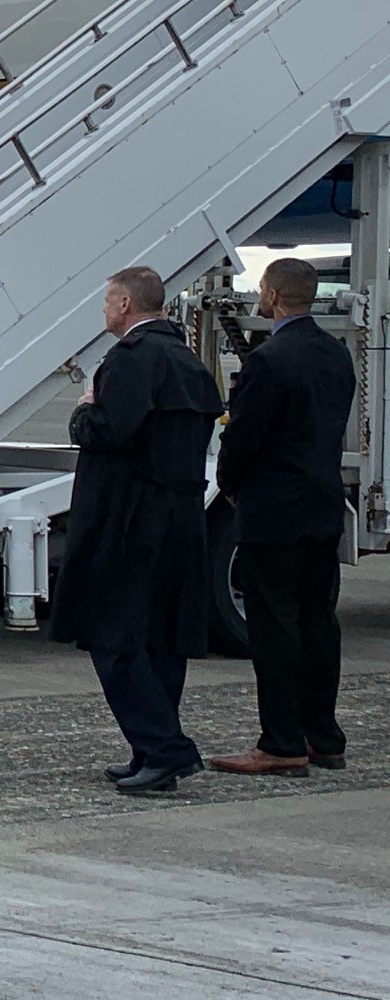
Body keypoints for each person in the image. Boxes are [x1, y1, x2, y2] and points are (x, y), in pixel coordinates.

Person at [48, 266, 223, 795]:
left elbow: (111, 430)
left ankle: (167, 748)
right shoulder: (188, 361)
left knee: (114, 636)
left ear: (125, 304)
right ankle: (151, 751)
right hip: (180, 515)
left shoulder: (129, 360)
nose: (103, 310)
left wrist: (81, 414)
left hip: (129, 518)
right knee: (162, 637)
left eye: (106, 301)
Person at [211, 257, 356, 777]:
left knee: (274, 624)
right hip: (321, 504)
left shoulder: (269, 360)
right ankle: (324, 736)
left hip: (274, 509)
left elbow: (244, 436)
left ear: (271, 296)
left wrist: (228, 485)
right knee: (319, 620)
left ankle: (280, 741)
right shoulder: (336, 356)